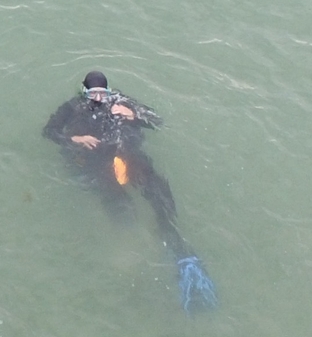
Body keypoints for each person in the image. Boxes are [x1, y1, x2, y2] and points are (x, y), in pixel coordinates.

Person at [44, 70, 216, 310]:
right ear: (83, 92)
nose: (98, 98)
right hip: (98, 162)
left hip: (129, 155)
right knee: (121, 205)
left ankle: (176, 245)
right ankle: (133, 249)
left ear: (108, 91)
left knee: (157, 193)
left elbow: (156, 121)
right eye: (92, 94)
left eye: (102, 93)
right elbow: (49, 132)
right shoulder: (72, 107)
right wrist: (77, 140)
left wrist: (133, 115)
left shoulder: (120, 100)